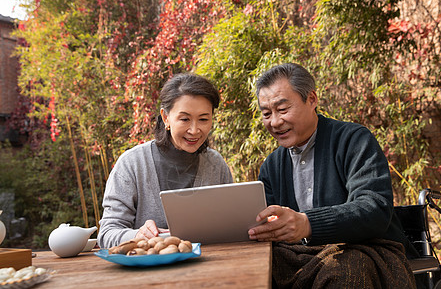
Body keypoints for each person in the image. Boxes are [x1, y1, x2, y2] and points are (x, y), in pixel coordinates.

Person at [247, 63, 417, 288]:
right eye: (267, 113)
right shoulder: (271, 165)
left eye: (283, 109)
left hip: (365, 249)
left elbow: (374, 208)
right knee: (254, 270)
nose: (275, 122)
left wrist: (307, 224)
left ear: (312, 99)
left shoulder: (354, 140)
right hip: (301, 256)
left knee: (344, 271)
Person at [98, 73, 233, 248]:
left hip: (207, 268)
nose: (194, 130)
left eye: (203, 119)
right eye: (184, 119)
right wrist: (137, 235)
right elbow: (107, 233)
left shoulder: (216, 165)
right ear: (165, 117)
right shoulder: (132, 164)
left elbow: (231, 225)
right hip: (147, 271)